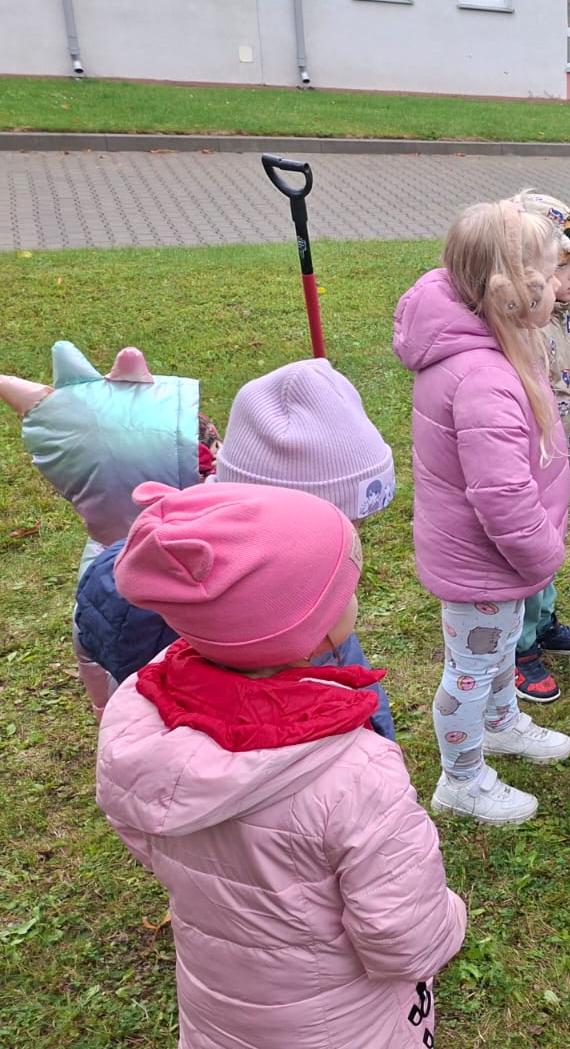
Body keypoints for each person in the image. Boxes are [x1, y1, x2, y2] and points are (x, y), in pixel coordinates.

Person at [96, 482, 467, 1049]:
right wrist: (451, 915)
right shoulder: (357, 773)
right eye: (346, 589)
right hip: (344, 1025)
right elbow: (404, 941)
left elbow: (141, 828)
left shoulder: (140, 715)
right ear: (312, 631)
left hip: (220, 1008)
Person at [74, 357, 401, 737]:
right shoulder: (290, 617)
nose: (353, 546)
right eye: (344, 526)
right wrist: (378, 740)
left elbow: (92, 649)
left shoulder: (127, 570)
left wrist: (107, 710)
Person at [394, 200, 570, 826]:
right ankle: (462, 779)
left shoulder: (496, 342)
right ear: (514, 292)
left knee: (496, 654)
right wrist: (542, 555)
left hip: (500, 559)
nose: (559, 281)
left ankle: (500, 723)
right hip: (486, 559)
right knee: (471, 669)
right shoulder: (483, 378)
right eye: (550, 272)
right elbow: (500, 494)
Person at [0, 342, 220, 717]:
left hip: (134, 719)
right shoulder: (211, 557)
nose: (217, 462)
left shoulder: (100, 572)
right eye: (209, 459)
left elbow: (90, 654)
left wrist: (106, 713)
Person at [509, 191, 570, 704]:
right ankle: (519, 646)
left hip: (556, 454)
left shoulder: (556, 313)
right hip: (533, 456)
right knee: (529, 549)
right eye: (561, 266)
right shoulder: (523, 327)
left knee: (551, 540)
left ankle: (542, 622)